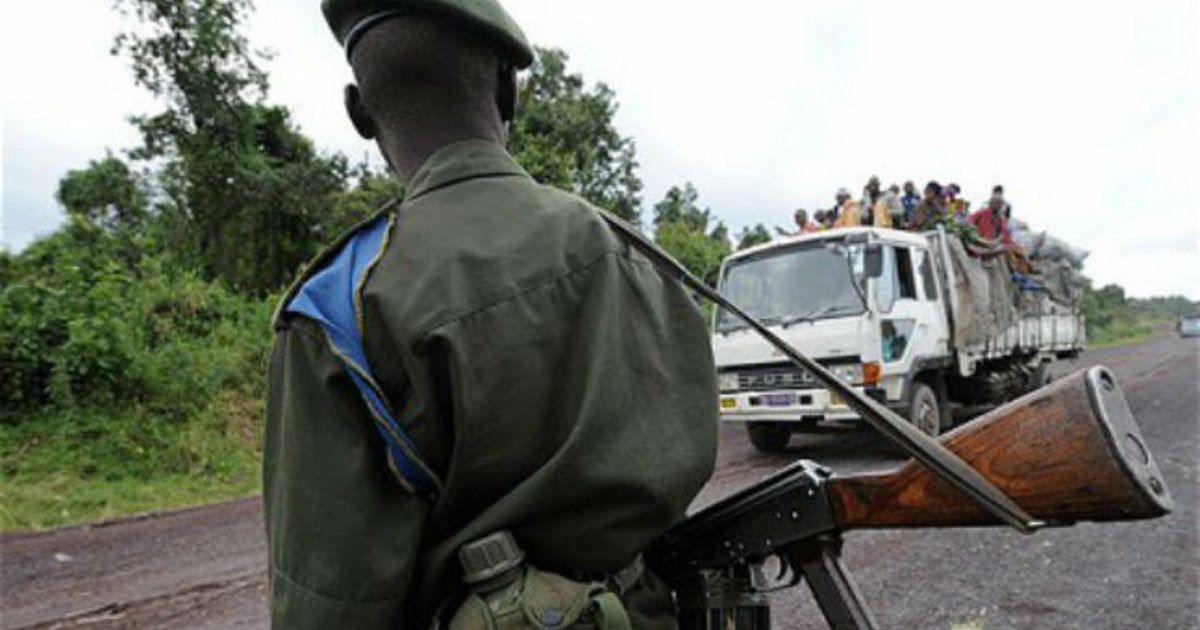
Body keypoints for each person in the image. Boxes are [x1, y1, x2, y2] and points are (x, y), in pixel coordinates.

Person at [263, 2, 718, 628]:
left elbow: (328, 607)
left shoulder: (340, 309)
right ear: (509, 89)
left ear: (359, 113)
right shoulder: (630, 254)